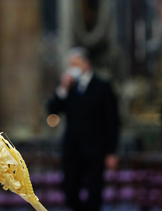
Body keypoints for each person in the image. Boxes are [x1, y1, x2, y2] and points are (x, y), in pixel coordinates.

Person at [48, 47, 120, 211]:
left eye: (76, 64)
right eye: (70, 65)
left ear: (86, 64)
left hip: (95, 149)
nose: (72, 69)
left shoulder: (102, 87)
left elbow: (112, 121)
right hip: (72, 149)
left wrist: (111, 151)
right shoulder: (68, 88)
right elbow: (52, 111)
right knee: (69, 189)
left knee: (94, 192)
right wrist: (63, 88)